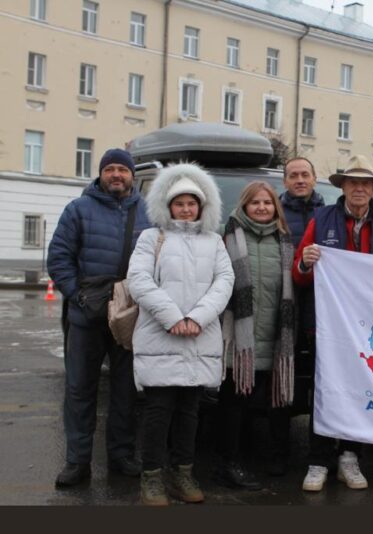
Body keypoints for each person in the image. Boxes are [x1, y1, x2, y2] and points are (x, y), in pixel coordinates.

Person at [293, 154, 373, 492]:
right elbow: (298, 273)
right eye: (353, 182)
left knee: (361, 390)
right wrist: (306, 263)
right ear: (342, 186)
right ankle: (318, 459)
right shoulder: (322, 219)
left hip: (370, 328)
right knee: (325, 391)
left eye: (365, 183)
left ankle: (350, 457)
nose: (359, 188)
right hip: (329, 326)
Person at [127, 163, 234, 506]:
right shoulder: (151, 238)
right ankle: (152, 477)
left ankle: (183, 473)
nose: (186, 209)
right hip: (161, 335)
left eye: (192, 203)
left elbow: (224, 282)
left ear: (202, 207)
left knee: (190, 410)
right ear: (168, 206)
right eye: (179, 203)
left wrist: (198, 318)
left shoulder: (214, 241)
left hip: (200, 336)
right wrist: (173, 317)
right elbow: (139, 280)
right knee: (159, 410)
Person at [47, 148, 151, 488]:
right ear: (101, 174)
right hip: (85, 318)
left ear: (133, 176)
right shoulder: (78, 209)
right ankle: (77, 462)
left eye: (123, 169)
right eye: (111, 169)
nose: (117, 175)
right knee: (79, 390)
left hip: (130, 317)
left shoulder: (148, 213)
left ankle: (121, 457)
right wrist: (76, 294)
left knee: (125, 392)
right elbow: (59, 256)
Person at [215, 182, 295, 490]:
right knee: (233, 407)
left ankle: (263, 458)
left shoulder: (285, 240)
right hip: (239, 341)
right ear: (244, 206)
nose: (262, 207)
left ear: (276, 206)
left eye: (268, 202)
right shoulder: (228, 238)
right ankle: (226, 464)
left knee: (264, 405)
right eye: (255, 203)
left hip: (275, 336)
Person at [280, 157, 326, 422]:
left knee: (320, 374)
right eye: (294, 175)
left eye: (305, 175)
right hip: (285, 301)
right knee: (285, 370)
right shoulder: (274, 211)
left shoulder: (329, 213)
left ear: (314, 178)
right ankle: (280, 444)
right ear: (285, 180)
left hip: (320, 305)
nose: (300, 180)